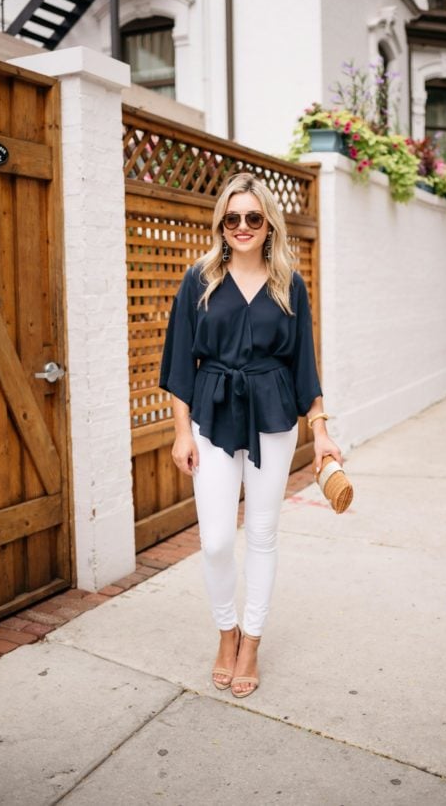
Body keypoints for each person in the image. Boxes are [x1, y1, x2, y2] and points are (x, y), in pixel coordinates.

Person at [160, 172, 342, 698]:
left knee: (262, 534)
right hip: (212, 414)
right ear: (221, 223)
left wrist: (322, 432)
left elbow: (304, 365)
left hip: (274, 414)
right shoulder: (199, 279)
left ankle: (252, 641)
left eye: (253, 218)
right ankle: (226, 632)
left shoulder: (290, 282)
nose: (242, 226)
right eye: (232, 217)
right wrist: (180, 433)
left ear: (268, 225)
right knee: (216, 541)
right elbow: (179, 361)